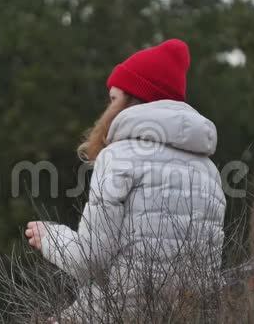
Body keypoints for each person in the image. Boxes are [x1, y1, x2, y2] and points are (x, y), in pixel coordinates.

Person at [25, 39, 226, 322]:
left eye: (113, 99)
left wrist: (50, 238)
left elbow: (89, 260)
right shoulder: (209, 171)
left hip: (116, 313)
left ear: (134, 99)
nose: (107, 110)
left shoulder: (119, 157)